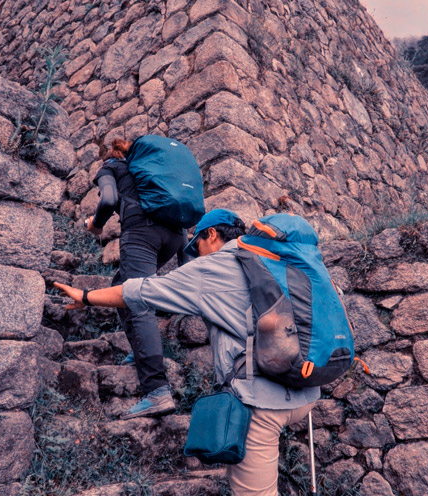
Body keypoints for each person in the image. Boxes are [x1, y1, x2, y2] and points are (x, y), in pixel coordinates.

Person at [56, 209, 319, 496]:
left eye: (197, 246)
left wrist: (85, 296)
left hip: (263, 402)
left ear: (213, 234)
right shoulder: (277, 261)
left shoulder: (216, 266)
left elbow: (141, 291)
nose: (196, 254)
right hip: (305, 391)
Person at [85, 139, 186, 420]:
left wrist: (95, 225)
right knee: (121, 286)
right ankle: (141, 351)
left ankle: (157, 390)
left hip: (142, 233)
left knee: (137, 301)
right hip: (174, 236)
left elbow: (108, 200)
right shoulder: (153, 170)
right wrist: (183, 256)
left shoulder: (111, 167)